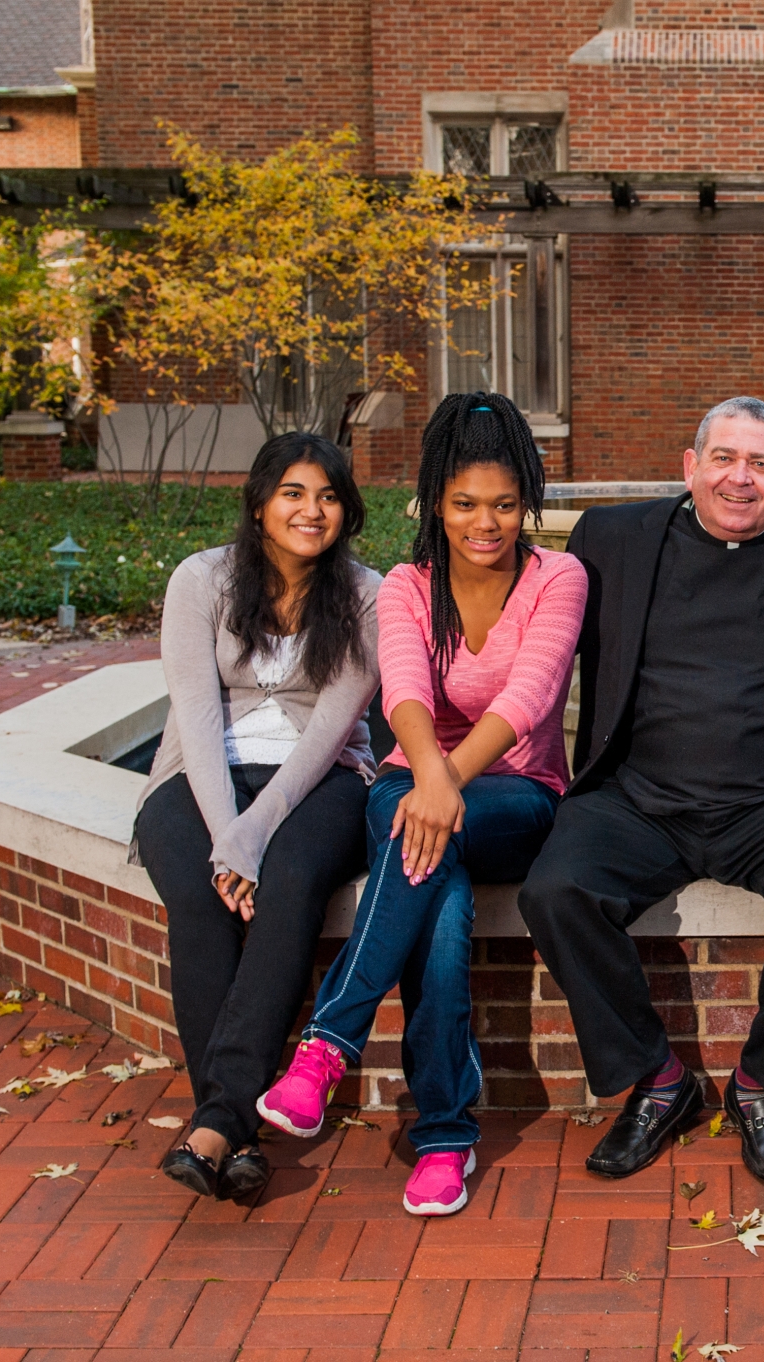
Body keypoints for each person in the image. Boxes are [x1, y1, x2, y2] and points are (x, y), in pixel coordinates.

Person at [517, 396, 764, 1186]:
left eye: (760, 464)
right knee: (554, 889)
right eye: (723, 458)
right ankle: (656, 1080)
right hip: (639, 799)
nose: (738, 479)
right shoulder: (610, 540)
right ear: (690, 466)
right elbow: (499, 594)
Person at [255, 393, 584, 1217]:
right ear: (435, 501)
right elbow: (401, 693)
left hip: (519, 795)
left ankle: (329, 1048)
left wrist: (442, 786)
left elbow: (530, 699)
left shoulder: (558, 577)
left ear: (527, 502)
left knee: (415, 836)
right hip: (413, 788)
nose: (487, 524)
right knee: (435, 891)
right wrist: (430, 784)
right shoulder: (406, 585)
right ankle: (443, 1134)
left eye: (505, 505)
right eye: (466, 504)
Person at [132, 431, 381, 1201]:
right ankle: (235, 1127)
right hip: (199, 777)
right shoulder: (200, 579)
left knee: (290, 878)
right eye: (294, 493)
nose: (313, 510)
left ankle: (217, 1120)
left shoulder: (369, 594)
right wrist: (224, 832)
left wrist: (253, 833)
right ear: (260, 501)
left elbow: (333, 728)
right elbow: (196, 718)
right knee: (199, 895)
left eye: (329, 495)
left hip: (320, 778)